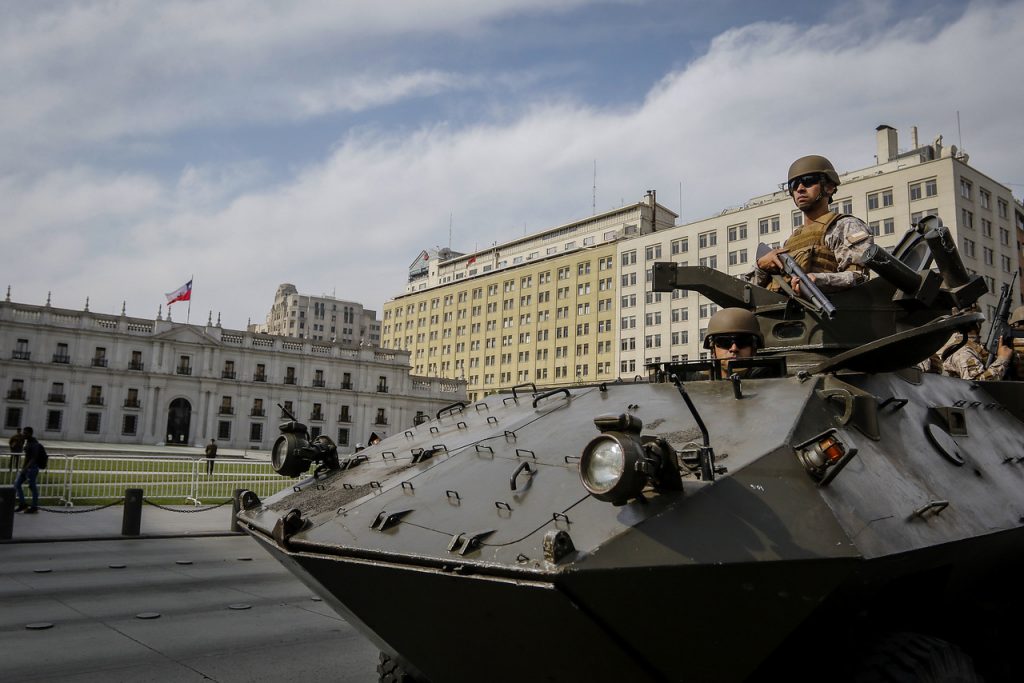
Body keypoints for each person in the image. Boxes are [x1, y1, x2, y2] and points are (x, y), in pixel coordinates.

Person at [751, 155, 874, 297]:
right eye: (794, 185)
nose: (800, 188)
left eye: (808, 181)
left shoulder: (844, 226)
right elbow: (750, 290)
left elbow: (859, 276)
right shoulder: (792, 239)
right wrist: (761, 266)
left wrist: (819, 280)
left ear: (829, 187)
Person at [702, 308, 771, 378]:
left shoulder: (772, 383)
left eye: (742, 341)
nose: (734, 348)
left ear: (754, 348)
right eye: (725, 342)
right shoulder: (698, 383)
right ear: (713, 350)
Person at [942, 317, 1012, 380]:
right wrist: (1002, 359)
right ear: (978, 325)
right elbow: (977, 384)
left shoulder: (972, 346)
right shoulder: (963, 351)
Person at [14, 427, 44, 513]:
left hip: (32, 468)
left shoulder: (34, 444)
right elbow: (27, 456)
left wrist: (25, 468)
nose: (24, 434)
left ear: (30, 434)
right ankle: (23, 504)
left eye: (25, 433)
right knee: (17, 484)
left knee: (32, 487)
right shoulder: (28, 442)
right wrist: (23, 468)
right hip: (26, 468)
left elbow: (33, 458)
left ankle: (34, 507)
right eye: (23, 433)